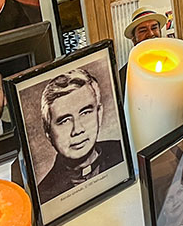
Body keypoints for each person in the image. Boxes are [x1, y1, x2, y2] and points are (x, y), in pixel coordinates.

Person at [36, 69, 124, 204]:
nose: (77, 130)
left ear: (99, 114)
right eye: (64, 121)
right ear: (49, 133)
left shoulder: (124, 152)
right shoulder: (44, 196)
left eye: (85, 113)